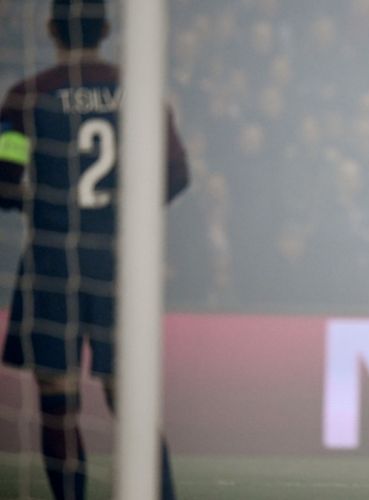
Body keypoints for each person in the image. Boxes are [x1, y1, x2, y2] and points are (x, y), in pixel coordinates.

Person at [0, 1, 189, 499]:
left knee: (57, 399)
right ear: (106, 30)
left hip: (51, 263)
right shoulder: (141, 93)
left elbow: (3, 180)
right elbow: (176, 174)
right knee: (128, 398)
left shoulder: (25, 97)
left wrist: (44, 202)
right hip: (118, 266)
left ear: (49, 30)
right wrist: (123, 215)